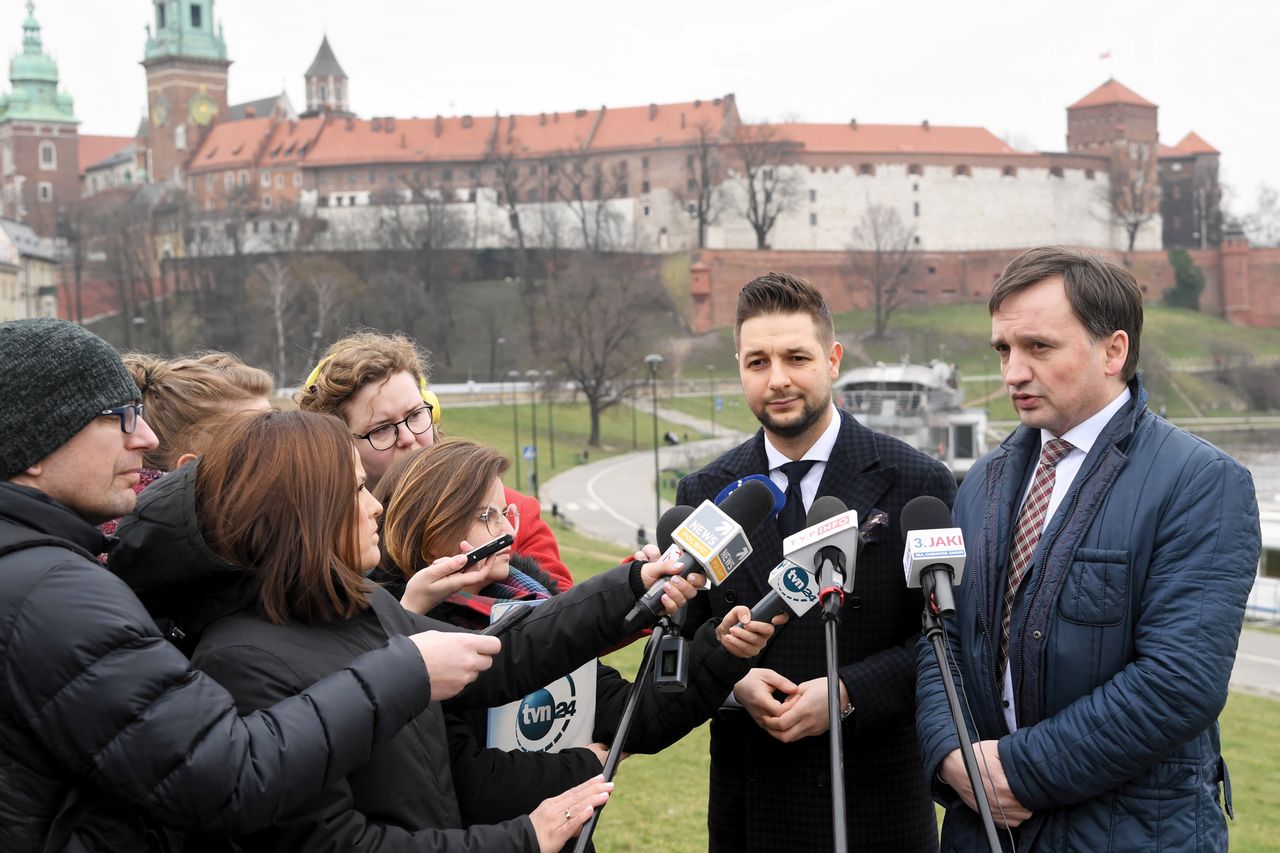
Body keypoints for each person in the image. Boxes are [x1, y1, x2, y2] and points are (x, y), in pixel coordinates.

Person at [0, 318, 495, 852]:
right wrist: (405, 669)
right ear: (33, 444)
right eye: (120, 418)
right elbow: (224, 776)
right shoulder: (52, 590)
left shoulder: (52, 571)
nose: (144, 438)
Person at [110, 408, 704, 852]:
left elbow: (501, 654)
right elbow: (335, 843)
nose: (375, 507)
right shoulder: (241, 662)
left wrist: (631, 586)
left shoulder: (356, 601)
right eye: (354, 491)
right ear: (304, 514)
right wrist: (525, 837)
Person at [915, 247, 1260, 851]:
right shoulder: (983, 483)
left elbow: (1180, 682)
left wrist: (1017, 771)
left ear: (1114, 350)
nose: (1012, 373)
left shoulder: (1200, 482)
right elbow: (937, 639)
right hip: (983, 833)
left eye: (1038, 347)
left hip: (1130, 833)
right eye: (1003, 350)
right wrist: (950, 755)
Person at [677, 272, 957, 851]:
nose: (776, 380)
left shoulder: (915, 482)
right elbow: (679, 637)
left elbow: (946, 640)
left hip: (875, 804)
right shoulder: (706, 492)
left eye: (795, 357)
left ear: (832, 360)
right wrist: (730, 681)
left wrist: (849, 692)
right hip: (751, 808)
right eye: (757, 362)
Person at [372, 439, 782, 756]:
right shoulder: (395, 632)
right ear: (429, 530)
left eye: (504, 513)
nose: (507, 533)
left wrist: (719, 652)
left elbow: (629, 716)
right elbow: (476, 784)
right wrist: (584, 766)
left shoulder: (533, 599)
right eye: (486, 517)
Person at [298, 331, 573, 589]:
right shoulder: (320, 535)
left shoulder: (510, 511)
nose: (408, 437)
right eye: (381, 429)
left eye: (416, 415)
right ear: (338, 447)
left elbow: (569, 621)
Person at [97, 351, 274, 540]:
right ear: (193, 470)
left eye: (276, 420)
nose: (282, 442)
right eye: (260, 437)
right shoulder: (214, 549)